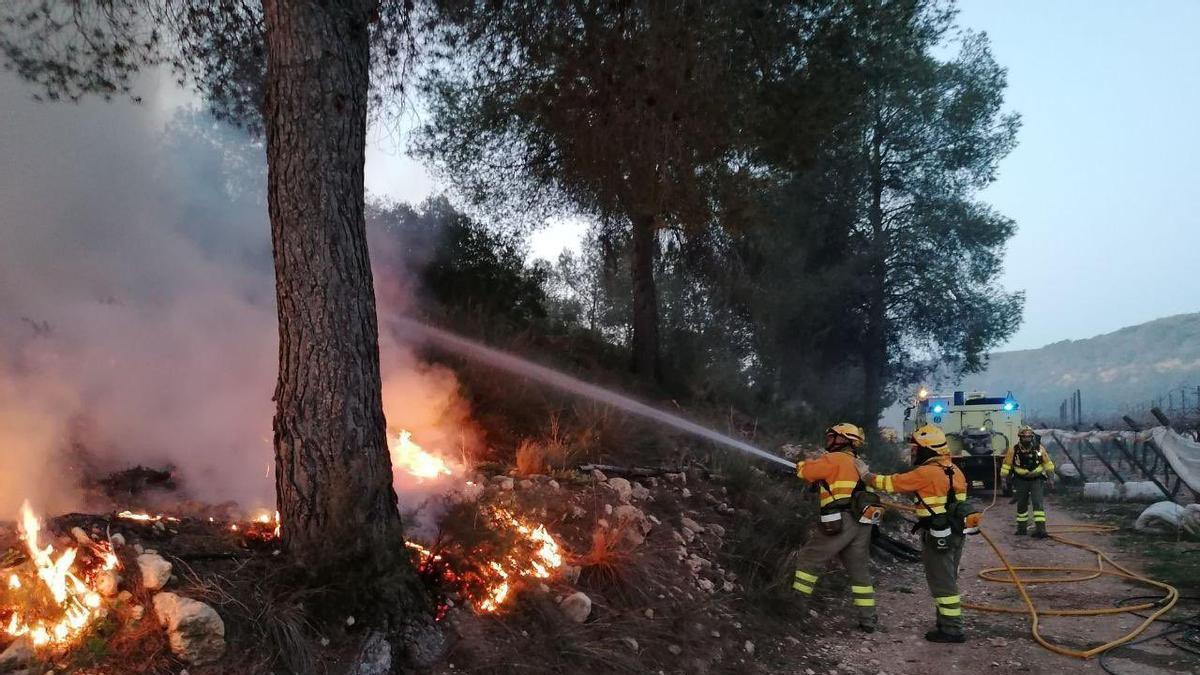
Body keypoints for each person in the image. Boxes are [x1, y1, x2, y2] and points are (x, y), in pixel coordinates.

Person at [863, 425, 979, 644]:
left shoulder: (925, 473)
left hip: (937, 535)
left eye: (916, 448)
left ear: (928, 449)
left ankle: (952, 629)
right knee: (948, 578)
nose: (913, 452)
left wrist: (866, 475)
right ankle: (944, 622)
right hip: (955, 533)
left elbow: (891, 483)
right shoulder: (955, 470)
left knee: (942, 582)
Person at [791, 423, 878, 632]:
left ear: (843, 439)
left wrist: (799, 466)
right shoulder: (859, 463)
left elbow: (807, 471)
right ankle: (868, 619)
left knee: (809, 559)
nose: (828, 440)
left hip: (840, 521)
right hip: (862, 523)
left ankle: (795, 608)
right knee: (859, 571)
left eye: (832, 436)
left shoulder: (833, 459)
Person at [1001, 425, 1056, 538]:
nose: (1027, 439)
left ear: (1032, 437)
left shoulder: (1039, 449)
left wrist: (1051, 478)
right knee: (1022, 505)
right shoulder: (1014, 450)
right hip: (1020, 480)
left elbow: (1048, 464)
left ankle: (1041, 530)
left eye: (1029, 437)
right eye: (1024, 437)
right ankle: (1021, 529)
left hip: (1036, 479)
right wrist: (1003, 480)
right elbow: (1006, 465)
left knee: (1037, 504)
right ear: (1020, 437)